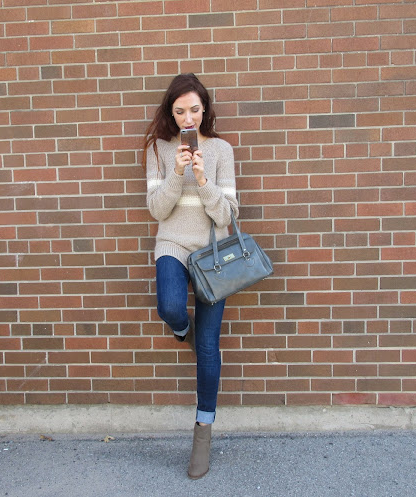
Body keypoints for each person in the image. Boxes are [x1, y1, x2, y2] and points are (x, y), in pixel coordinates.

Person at [142, 73, 238, 479]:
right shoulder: (158, 148)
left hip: (213, 253)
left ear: (204, 109)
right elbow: (157, 210)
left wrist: (201, 179)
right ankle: (185, 330)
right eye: (180, 111)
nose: (188, 118)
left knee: (209, 348)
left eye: (194, 110)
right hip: (173, 243)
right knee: (169, 306)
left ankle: (203, 432)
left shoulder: (221, 150)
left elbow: (228, 214)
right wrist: (176, 173)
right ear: (171, 112)